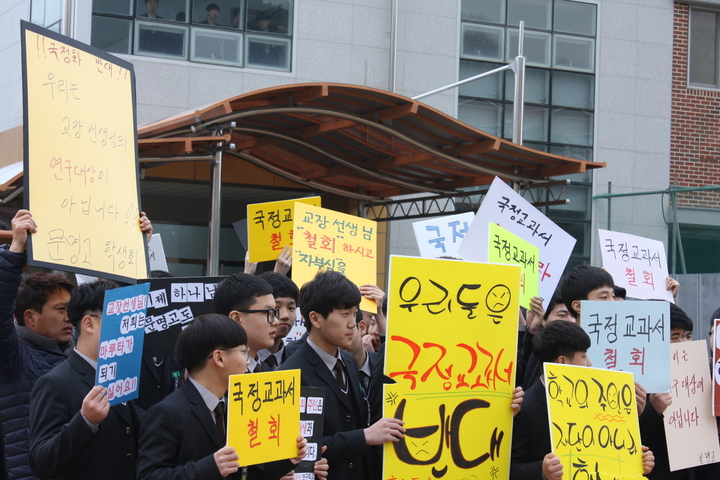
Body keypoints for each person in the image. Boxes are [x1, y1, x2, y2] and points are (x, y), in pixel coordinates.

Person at [137, 314, 312, 480]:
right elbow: (149, 475)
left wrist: (289, 458)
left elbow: (246, 472)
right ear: (219, 358)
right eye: (243, 352)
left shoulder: (235, 407)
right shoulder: (167, 412)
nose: (248, 361)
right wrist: (211, 466)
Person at [279, 270, 405, 480]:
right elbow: (299, 446)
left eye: (354, 313)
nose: (351, 323)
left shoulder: (347, 361)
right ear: (315, 319)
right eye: (344, 314)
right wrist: (363, 437)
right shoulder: (292, 373)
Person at [510, 320, 655, 480]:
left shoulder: (601, 399)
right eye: (584, 357)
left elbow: (608, 448)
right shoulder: (525, 407)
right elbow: (510, 468)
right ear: (562, 361)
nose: (589, 363)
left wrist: (637, 460)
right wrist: (542, 471)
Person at [29, 280, 144, 480]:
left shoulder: (126, 373)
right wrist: (85, 422)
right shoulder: (55, 383)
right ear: (89, 323)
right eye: (120, 321)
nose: (128, 330)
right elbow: (41, 461)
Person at [0, 210, 74, 480]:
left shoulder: (78, 353)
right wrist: (15, 249)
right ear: (30, 317)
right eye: (61, 309)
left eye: (72, 308)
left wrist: (140, 247)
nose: (70, 317)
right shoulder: (13, 357)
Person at [640, 303, 695, 480]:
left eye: (687, 336)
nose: (683, 344)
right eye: (675, 337)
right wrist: (652, 409)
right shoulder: (636, 379)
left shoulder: (698, 374)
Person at [212, 273, 279, 373]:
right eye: (267, 313)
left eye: (275, 313)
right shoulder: (217, 378)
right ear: (236, 318)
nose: (276, 322)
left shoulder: (270, 373)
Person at [256, 272, 298, 370]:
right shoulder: (239, 364)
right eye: (276, 308)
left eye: (291, 308)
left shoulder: (300, 361)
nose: (285, 316)